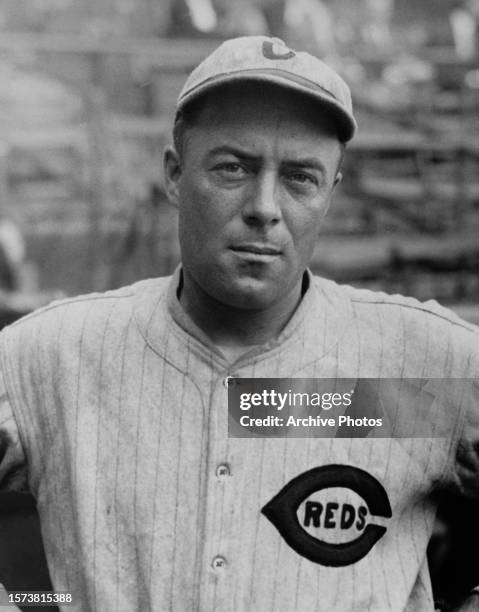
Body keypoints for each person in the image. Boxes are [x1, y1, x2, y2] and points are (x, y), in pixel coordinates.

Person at [0, 36, 477, 612]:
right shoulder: (49, 356)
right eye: (232, 168)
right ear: (175, 176)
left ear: (330, 194)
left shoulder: (429, 361)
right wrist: (28, 604)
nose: (264, 207)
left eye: (301, 177)